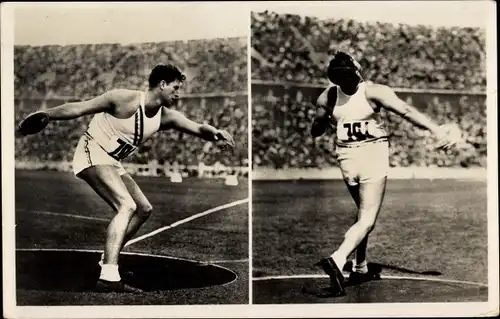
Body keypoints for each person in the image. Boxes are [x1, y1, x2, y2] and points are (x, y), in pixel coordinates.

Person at [17, 64, 235, 293]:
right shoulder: (123, 99)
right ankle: (109, 276)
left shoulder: (166, 117)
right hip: (92, 150)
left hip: (111, 161)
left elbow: (198, 128)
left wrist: (216, 133)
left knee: (143, 209)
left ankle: (104, 263)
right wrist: (48, 115)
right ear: (162, 84)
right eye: (175, 87)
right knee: (126, 205)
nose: (178, 93)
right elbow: (80, 108)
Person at [311, 51, 461, 296]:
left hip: (346, 159)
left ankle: (360, 267)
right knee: (368, 219)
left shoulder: (326, 96)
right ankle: (338, 259)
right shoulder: (374, 91)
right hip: (372, 155)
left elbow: (316, 130)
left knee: (361, 214)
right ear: (356, 69)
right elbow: (406, 111)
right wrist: (436, 130)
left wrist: (327, 121)